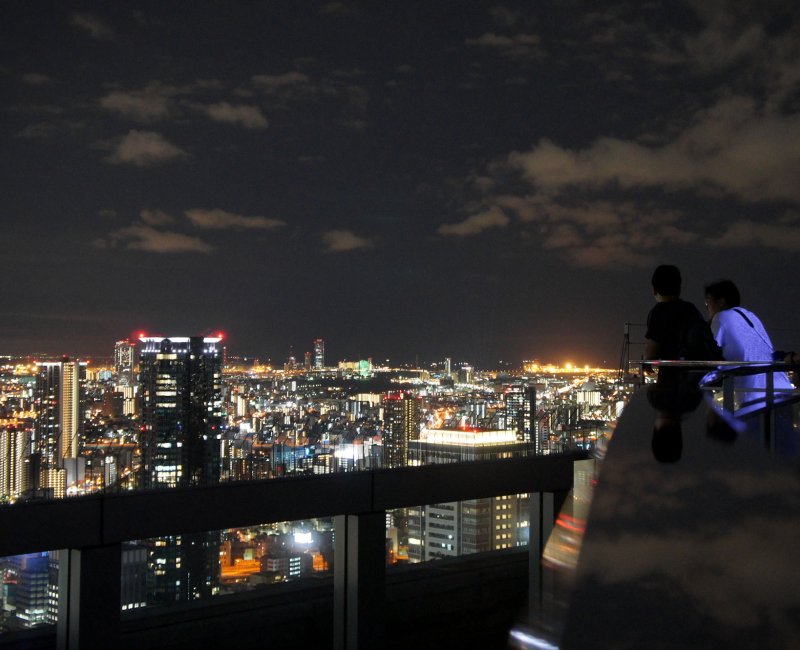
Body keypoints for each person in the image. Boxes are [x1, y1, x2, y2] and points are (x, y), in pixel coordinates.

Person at [704, 279, 793, 413]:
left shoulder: (721, 317)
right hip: (781, 388)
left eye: (708, 302)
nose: (706, 307)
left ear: (721, 302)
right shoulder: (749, 316)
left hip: (755, 395)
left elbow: (710, 353)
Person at [644, 265, 707, 362]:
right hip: (696, 372)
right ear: (679, 288)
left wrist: (646, 361)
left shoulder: (659, 311)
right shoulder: (691, 308)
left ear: (654, 290)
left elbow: (651, 351)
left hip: (672, 372)